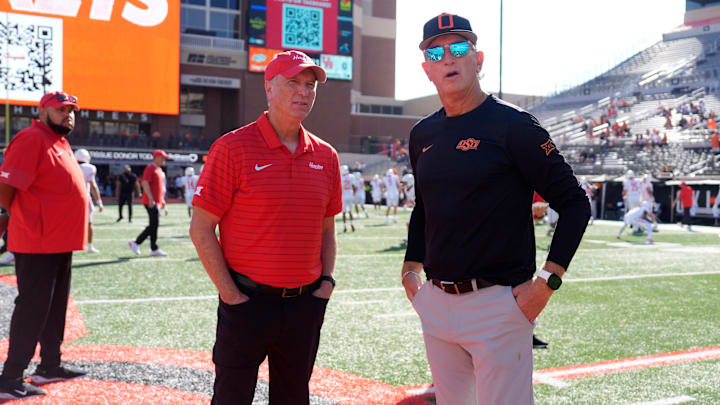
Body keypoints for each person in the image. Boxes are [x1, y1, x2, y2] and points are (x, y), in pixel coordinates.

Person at [401, 14, 590, 405]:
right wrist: (410, 269)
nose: (448, 59)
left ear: (478, 59)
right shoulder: (422, 134)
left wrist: (547, 283)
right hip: (436, 302)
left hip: (498, 304)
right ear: (427, 70)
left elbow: (575, 204)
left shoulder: (514, 126)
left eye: (459, 49)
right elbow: (424, 208)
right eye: (436, 52)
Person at [189, 50, 340, 405]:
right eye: (293, 83)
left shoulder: (326, 155)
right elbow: (201, 228)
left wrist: (327, 283)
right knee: (231, 397)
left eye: (310, 85)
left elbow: (327, 228)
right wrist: (230, 294)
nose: (304, 92)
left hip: (305, 304)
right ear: (269, 89)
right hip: (246, 301)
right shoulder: (231, 148)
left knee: (293, 397)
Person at [0, 91, 88, 400]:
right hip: (37, 241)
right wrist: (14, 221)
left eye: (72, 110)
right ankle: (10, 377)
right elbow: (6, 189)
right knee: (33, 309)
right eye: (61, 109)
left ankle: (50, 365)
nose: (69, 114)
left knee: (54, 308)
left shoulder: (58, 142)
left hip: (59, 242)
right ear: (43, 111)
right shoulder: (31, 138)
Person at [128, 150, 169, 257]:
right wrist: (151, 199)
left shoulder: (159, 169)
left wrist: (162, 200)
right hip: (150, 202)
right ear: (156, 157)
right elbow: (145, 183)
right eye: (162, 158)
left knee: (154, 225)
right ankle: (138, 243)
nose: (164, 160)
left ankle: (151, 247)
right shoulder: (150, 168)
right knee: (153, 225)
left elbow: (160, 187)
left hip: (156, 201)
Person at [74, 148, 104, 253]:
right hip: (84, 198)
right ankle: (90, 246)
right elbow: (94, 186)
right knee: (89, 223)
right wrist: (99, 202)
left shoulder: (71, 165)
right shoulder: (90, 168)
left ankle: (69, 245)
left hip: (70, 199)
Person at [340, 165, 356, 232]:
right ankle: (352, 224)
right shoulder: (351, 176)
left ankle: (345, 226)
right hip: (350, 195)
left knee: (344, 212)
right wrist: (353, 194)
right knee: (350, 211)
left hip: (344, 196)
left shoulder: (341, 177)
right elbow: (354, 186)